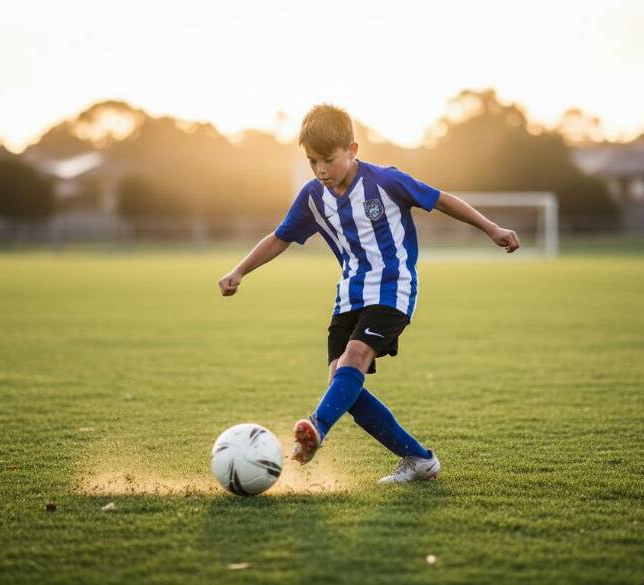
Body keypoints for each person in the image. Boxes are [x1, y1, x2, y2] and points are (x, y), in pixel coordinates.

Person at [218, 104, 519, 483]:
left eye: (328, 160)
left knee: (355, 358)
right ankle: (419, 459)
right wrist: (239, 270)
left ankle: (316, 428)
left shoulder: (386, 181)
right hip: (348, 296)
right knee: (342, 387)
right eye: (312, 162)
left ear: (353, 150)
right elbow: (280, 237)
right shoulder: (313, 197)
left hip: (394, 290)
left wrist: (492, 229)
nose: (321, 170)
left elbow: (441, 199)